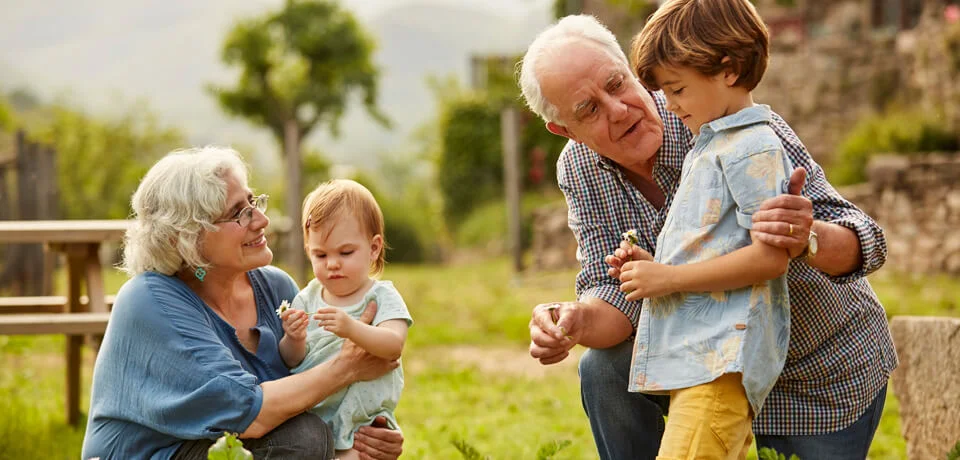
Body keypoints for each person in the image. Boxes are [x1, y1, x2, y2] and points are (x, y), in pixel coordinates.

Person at [518, 13, 897, 460]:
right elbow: (617, 294)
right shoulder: (579, 168)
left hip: (814, 369)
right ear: (565, 130)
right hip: (705, 367)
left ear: (630, 67)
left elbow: (867, 241)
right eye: (589, 110)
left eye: (617, 84)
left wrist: (805, 235)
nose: (618, 110)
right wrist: (576, 321)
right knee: (603, 368)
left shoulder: (723, 114)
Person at [81, 147, 403, 460]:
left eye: (253, 201)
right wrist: (348, 366)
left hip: (230, 446)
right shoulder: (149, 300)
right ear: (187, 237)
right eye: (239, 212)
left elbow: (310, 385)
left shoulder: (277, 287)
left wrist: (366, 431)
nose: (261, 219)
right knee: (302, 439)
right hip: (159, 453)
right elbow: (251, 413)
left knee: (310, 436)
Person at [611, 0, 794, 458]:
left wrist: (669, 280)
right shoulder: (713, 142)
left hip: (720, 364)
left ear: (728, 70)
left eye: (677, 90)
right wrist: (653, 269)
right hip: (699, 361)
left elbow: (770, 257)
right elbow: (715, 246)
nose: (668, 106)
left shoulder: (753, 147)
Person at [279, 179, 412, 460]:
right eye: (320, 254)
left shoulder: (381, 296)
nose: (332, 263)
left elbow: (393, 346)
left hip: (364, 418)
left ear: (374, 248)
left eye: (345, 252)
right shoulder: (307, 298)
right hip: (317, 414)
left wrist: (352, 328)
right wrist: (294, 338)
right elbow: (292, 361)